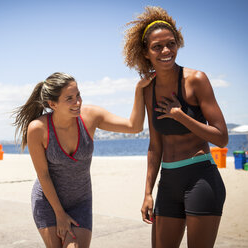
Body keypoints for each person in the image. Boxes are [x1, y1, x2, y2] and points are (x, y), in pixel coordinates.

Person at [122, 6, 228, 248]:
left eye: (171, 43)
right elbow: (155, 145)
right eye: (157, 47)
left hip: (201, 177)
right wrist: (147, 192)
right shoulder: (148, 89)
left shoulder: (196, 80)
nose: (166, 51)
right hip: (168, 181)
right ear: (146, 52)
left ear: (178, 43)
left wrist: (181, 116)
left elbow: (222, 138)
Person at [13, 72, 152, 247]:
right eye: (69, 98)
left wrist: (139, 89)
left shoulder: (90, 116)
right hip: (48, 202)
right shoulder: (38, 129)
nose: (77, 102)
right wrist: (60, 214)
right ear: (52, 104)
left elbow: (135, 126)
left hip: (80, 202)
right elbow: (43, 175)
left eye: (78, 95)